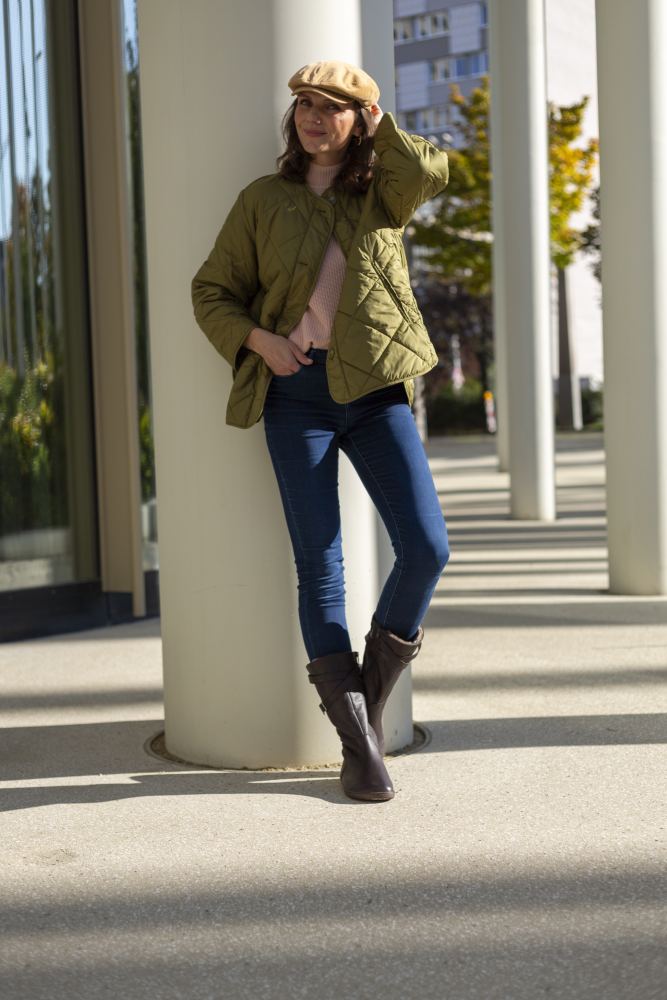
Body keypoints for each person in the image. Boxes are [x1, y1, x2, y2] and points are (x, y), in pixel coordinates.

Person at [191, 60, 451, 804]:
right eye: (304, 104)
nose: (313, 116)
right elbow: (210, 289)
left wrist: (378, 121)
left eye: (333, 107)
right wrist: (257, 340)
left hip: (375, 393)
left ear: (359, 119)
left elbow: (431, 171)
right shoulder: (262, 201)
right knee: (322, 567)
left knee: (427, 547)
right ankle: (360, 749)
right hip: (295, 397)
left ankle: (359, 711)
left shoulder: (381, 193)